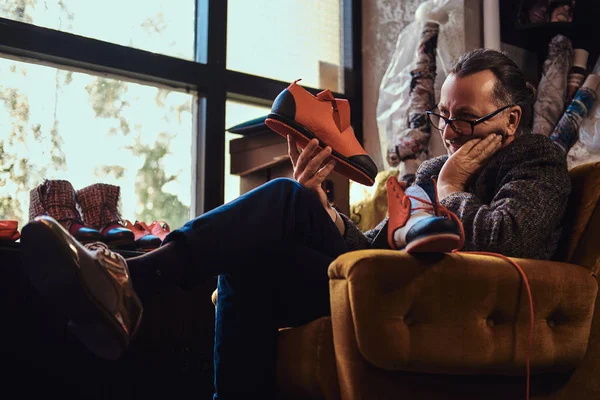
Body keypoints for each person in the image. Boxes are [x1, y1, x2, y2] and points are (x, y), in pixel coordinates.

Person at [20, 49, 570, 400]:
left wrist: (450, 190)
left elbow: (513, 238)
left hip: (451, 299)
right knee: (260, 243)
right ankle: (138, 286)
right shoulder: (430, 167)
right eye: (443, 117)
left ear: (511, 120)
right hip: (388, 283)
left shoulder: (537, 162)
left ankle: (134, 280)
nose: (448, 133)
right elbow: (372, 247)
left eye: (466, 119)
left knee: (281, 203)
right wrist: (323, 207)